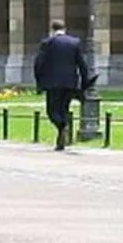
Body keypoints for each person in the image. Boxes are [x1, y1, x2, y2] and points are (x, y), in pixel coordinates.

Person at [32, 18, 92, 152]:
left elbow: (38, 64)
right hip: (70, 82)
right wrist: (85, 82)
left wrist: (39, 82)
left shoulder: (47, 43)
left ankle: (62, 126)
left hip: (52, 83)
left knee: (52, 111)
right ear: (65, 29)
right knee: (64, 108)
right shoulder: (74, 42)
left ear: (52, 30)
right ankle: (62, 135)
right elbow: (82, 64)